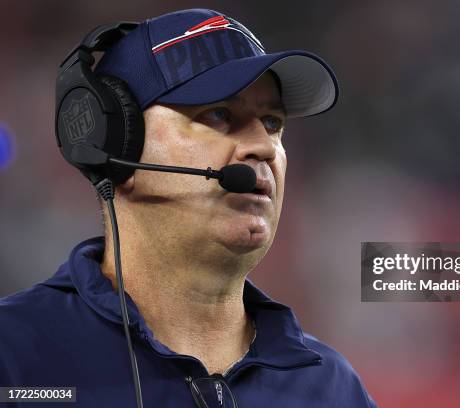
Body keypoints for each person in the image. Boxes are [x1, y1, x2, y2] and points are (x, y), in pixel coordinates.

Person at [0, 8, 376, 408]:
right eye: (218, 114)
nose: (264, 147)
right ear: (115, 148)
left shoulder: (331, 386)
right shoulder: (14, 355)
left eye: (271, 122)